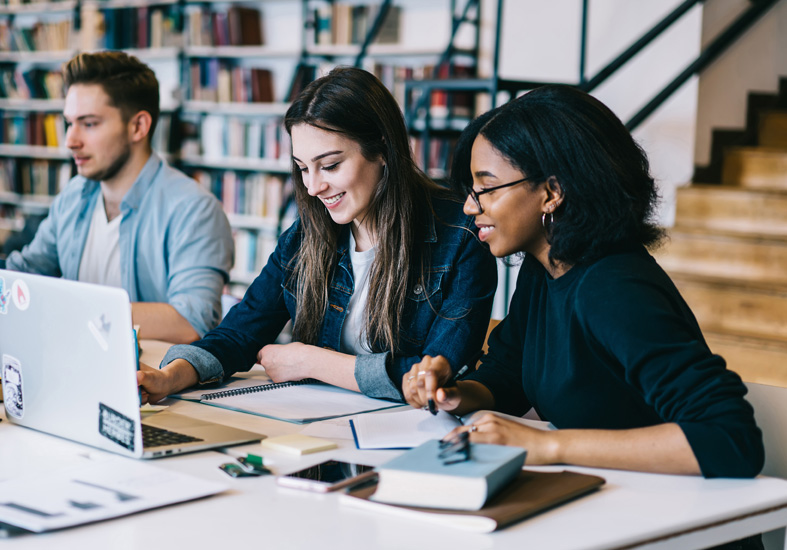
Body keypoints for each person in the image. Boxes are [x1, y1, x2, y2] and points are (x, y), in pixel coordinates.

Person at [404, 85, 764, 480]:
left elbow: (730, 438)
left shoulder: (614, 287)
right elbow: (506, 377)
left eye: (485, 188)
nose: (471, 206)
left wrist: (547, 446)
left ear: (552, 192)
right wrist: (453, 394)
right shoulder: (545, 269)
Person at [137, 67, 497, 402]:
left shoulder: (462, 235)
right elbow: (238, 334)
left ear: (383, 149)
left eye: (330, 165)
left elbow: (432, 380)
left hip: (412, 440)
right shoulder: (305, 236)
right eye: (302, 168)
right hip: (314, 429)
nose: (313, 187)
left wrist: (312, 362)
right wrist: (169, 378)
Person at [3, 51, 233, 344]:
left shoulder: (194, 210)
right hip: (69, 365)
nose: (70, 141)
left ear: (138, 126)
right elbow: (22, 273)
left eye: (89, 124)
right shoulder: (75, 194)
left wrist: (72, 311)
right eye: (69, 123)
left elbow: (191, 321)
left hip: (149, 384)